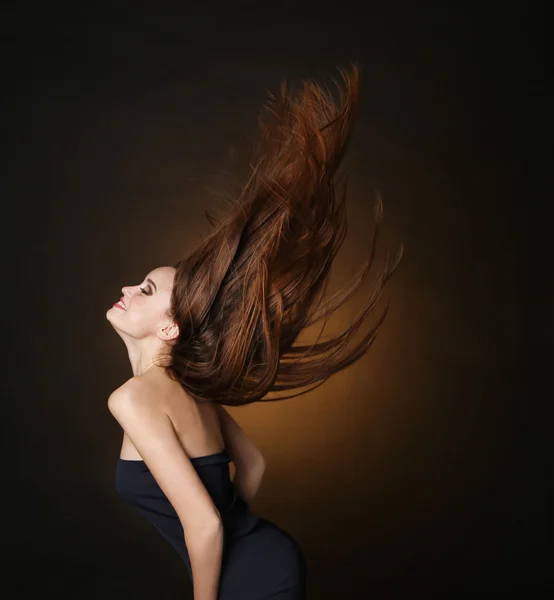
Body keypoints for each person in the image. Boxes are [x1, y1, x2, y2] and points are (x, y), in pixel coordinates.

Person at [105, 65, 402, 600]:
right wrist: (236, 543)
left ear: (169, 327)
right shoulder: (188, 389)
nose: (129, 288)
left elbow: (207, 526)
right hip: (265, 556)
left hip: (249, 575)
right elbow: (254, 466)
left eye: (147, 290)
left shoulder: (133, 399)